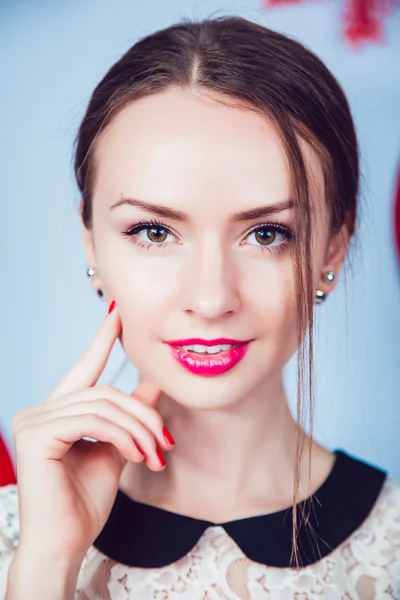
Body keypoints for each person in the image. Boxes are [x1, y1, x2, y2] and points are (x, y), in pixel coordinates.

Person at [1, 14, 399, 599]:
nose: (211, 299)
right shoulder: (16, 539)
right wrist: (46, 565)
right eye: (155, 233)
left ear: (332, 248)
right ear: (92, 243)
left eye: (266, 234)